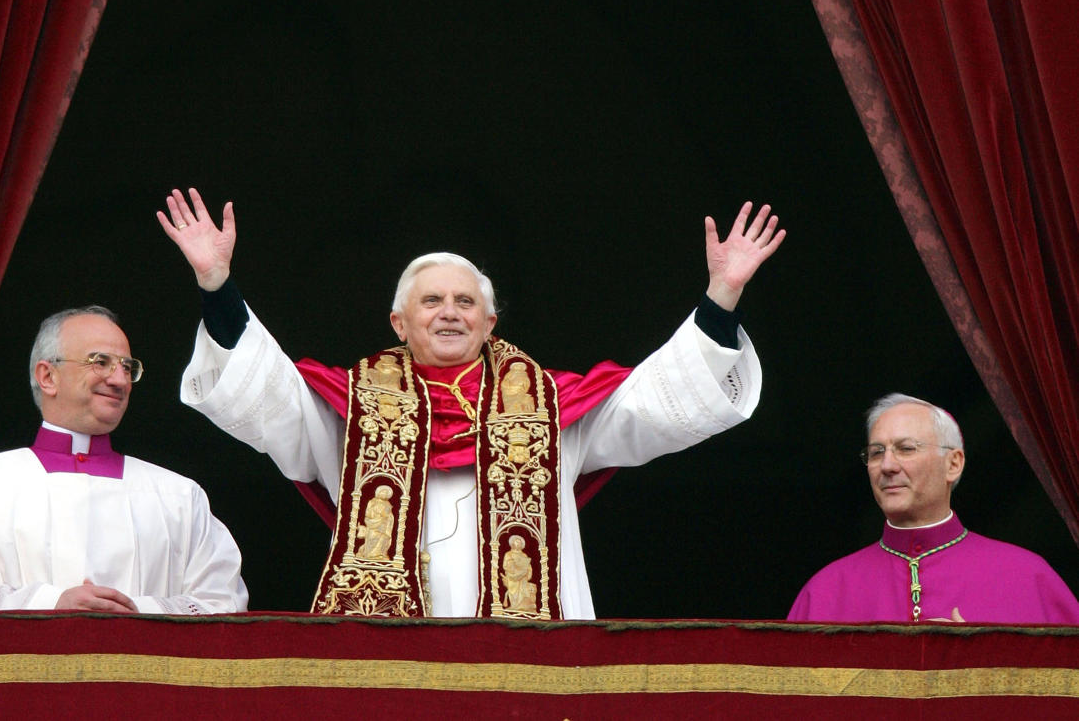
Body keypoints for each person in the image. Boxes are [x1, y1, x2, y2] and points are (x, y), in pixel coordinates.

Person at [159, 187, 784, 619]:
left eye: (464, 303)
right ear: (399, 324)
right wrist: (217, 286)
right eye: (432, 302)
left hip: (528, 648)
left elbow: (656, 403)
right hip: (390, 647)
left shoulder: (552, 407)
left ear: (490, 322)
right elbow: (267, 391)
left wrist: (720, 299)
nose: (449, 312)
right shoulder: (349, 408)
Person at [0, 306, 248, 614]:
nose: (118, 380)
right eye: (100, 362)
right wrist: (52, 604)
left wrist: (135, 610)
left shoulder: (178, 497)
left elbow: (223, 606)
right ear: (47, 377)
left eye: (127, 367)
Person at [788, 393, 1079, 623]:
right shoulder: (827, 590)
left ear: (953, 464)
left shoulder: (1027, 577)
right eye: (876, 453)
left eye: (906, 449)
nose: (887, 466)